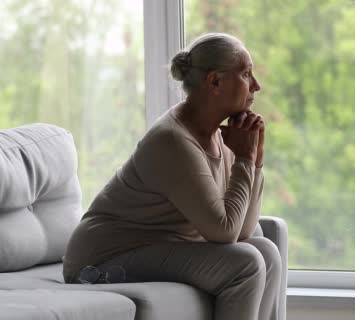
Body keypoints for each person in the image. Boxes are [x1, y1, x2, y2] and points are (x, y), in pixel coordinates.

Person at [63, 33, 285, 320]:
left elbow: (243, 230)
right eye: (245, 74)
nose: (256, 85)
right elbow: (225, 231)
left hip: (157, 246)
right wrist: (244, 158)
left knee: (266, 251)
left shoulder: (221, 134)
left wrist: (255, 160)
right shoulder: (172, 140)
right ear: (215, 81)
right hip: (99, 262)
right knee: (246, 263)